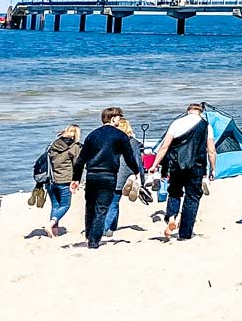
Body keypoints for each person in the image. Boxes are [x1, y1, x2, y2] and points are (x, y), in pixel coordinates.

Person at [151, 103, 217, 241]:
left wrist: (155, 164)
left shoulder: (176, 123)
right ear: (201, 112)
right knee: (192, 197)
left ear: (187, 111)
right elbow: (211, 150)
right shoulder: (206, 126)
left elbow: (165, 146)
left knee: (174, 192)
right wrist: (213, 168)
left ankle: (172, 216)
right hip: (197, 166)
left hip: (176, 165)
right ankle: (185, 234)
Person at [78, 107, 142, 249]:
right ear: (113, 118)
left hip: (91, 174)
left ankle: (89, 234)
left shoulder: (92, 135)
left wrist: (75, 179)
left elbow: (81, 159)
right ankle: (94, 241)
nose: (120, 120)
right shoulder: (120, 136)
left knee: (90, 206)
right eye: (119, 117)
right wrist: (137, 171)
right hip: (108, 175)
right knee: (102, 208)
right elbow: (129, 157)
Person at [103, 113, 144, 236]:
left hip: (107, 173)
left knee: (110, 201)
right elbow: (137, 161)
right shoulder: (133, 143)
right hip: (123, 175)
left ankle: (109, 227)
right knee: (114, 202)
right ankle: (108, 228)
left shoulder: (108, 141)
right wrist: (141, 177)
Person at [43, 124, 82, 237]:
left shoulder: (53, 145)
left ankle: (53, 233)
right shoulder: (74, 147)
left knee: (55, 205)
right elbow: (77, 165)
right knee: (65, 205)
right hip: (65, 180)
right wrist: (77, 180)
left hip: (51, 179)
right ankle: (51, 224)